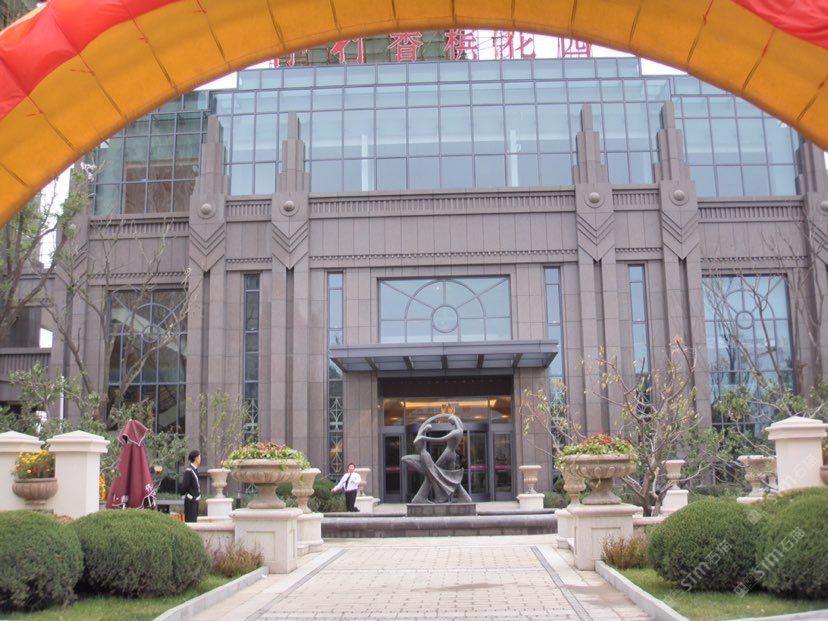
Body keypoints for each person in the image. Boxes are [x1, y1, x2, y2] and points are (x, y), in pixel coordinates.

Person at [181, 450, 201, 522]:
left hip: (195, 501)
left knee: (194, 521)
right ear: (196, 458)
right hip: (190, 501)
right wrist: (186, 496)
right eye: (199, 457)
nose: (200, 459)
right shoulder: (189, 471)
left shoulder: (194, 470)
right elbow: (184, 486)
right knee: (190, 521)